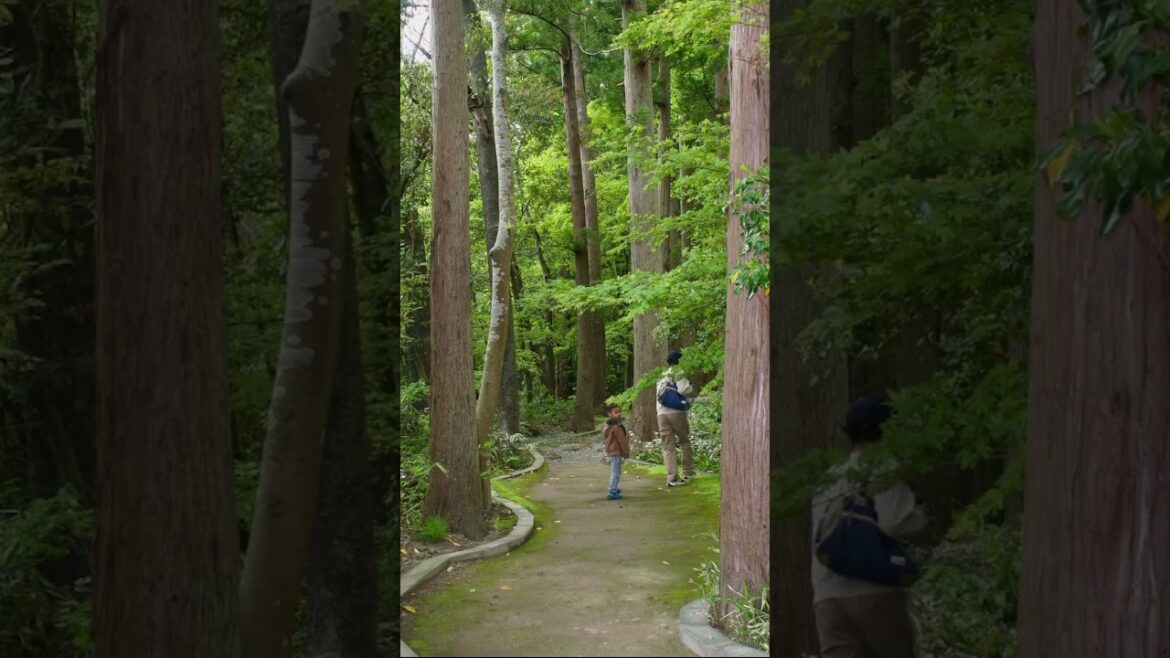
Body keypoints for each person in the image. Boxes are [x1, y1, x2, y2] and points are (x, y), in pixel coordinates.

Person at [810, 397, 927, 658]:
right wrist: (921, 516)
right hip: (876, 591)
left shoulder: (830, 478)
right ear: (887, 430)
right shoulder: (884, 467)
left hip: (827, 598)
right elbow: (895, 522)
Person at [655, 350, 695, 487]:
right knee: (684, 441)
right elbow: (683, 390)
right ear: (679, 360)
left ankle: (672, 478)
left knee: (668, 447)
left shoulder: (661, 376)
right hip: (676, 412)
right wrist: (691, 387)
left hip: (661, 414)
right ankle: (688, 472)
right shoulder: (679, 373)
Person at [603, 403, 630, 500]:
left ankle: (614, 488)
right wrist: (626, 453)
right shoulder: (617, 426)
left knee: (616, 470)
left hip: (611, 451)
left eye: (619, 412)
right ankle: (612, 491)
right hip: (616, 451)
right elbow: (622, 441)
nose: (618, 414)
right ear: (609, 414)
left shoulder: (607, 425)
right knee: (616, 472)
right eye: (616, 412)